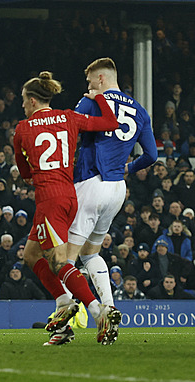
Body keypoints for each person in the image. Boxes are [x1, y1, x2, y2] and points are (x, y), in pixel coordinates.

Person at [13, 71, 120, 346]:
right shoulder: (69, 117)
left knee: (59, 262)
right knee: (31, 254)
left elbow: (24, 172)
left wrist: (34, 172)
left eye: (24, 100)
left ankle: (98, 312)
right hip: (68, 195)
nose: (22, 105)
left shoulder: (23, 129)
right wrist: (100, 98)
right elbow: (110, 122)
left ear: (34, 101)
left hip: (49, 198)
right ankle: (64, 303)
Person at [64, 58, 158, 343]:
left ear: (102, 79)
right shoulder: (140, 110)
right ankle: (110, 309)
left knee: (65, 259)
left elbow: (72, 132)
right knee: (91, 254)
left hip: (91, 182)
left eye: (91, 81)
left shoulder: (93, 100)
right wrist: (129, 168)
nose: (88, 87)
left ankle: (64, 325)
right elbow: (152, 156)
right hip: (117, 188)